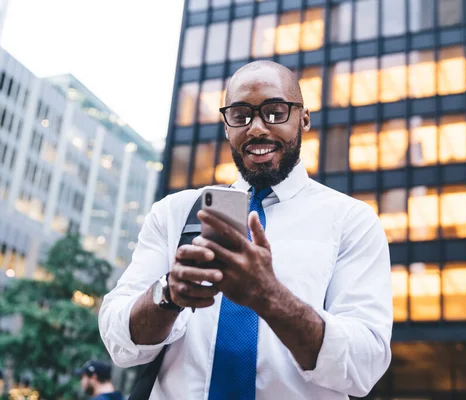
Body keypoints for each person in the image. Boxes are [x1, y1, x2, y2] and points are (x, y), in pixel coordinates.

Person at [99, 60, 393, 399]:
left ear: (304, 118)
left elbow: (365, 364)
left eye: (274, 111)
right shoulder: (173, 213)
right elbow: (119, 342)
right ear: (226, 126)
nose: (256, 128)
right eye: (240, 115)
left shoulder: (352, 221)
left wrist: (269, 297)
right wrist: (167, 294)